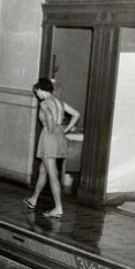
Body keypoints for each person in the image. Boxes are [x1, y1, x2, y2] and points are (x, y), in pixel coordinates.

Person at [22, 78, 80, 218]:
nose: (37, 95)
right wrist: (66, 130)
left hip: (49, 138)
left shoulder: (44, 103)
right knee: (43, 170)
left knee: (52, 174)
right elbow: (76, 114)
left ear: (42, 90)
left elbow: (49, 120)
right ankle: (33, 200)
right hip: (59, 137)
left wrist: (50, 129)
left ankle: (58, 208)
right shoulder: (60, 102)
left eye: (37, 92)